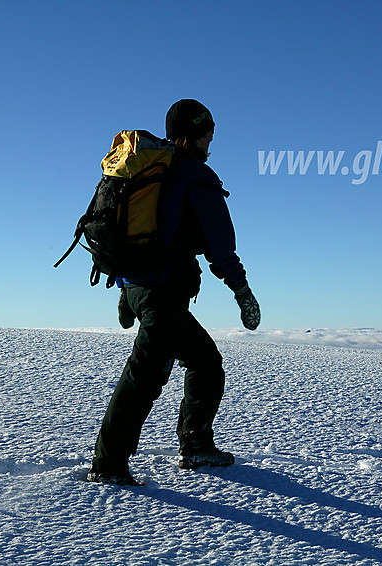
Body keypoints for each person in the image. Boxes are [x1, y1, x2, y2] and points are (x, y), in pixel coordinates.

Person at [87, 99, 261, 485]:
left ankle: (196, 445)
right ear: (199, 133)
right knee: (143, 379)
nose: (212, 138)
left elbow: (147, 234)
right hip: (162, 294)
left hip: (140, 287)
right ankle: (108, 465)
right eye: (210, 131)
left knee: (205, 364)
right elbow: (220, 244)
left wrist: (124, 291)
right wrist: (242, 290)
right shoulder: (195, 175)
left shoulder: (158, 169)